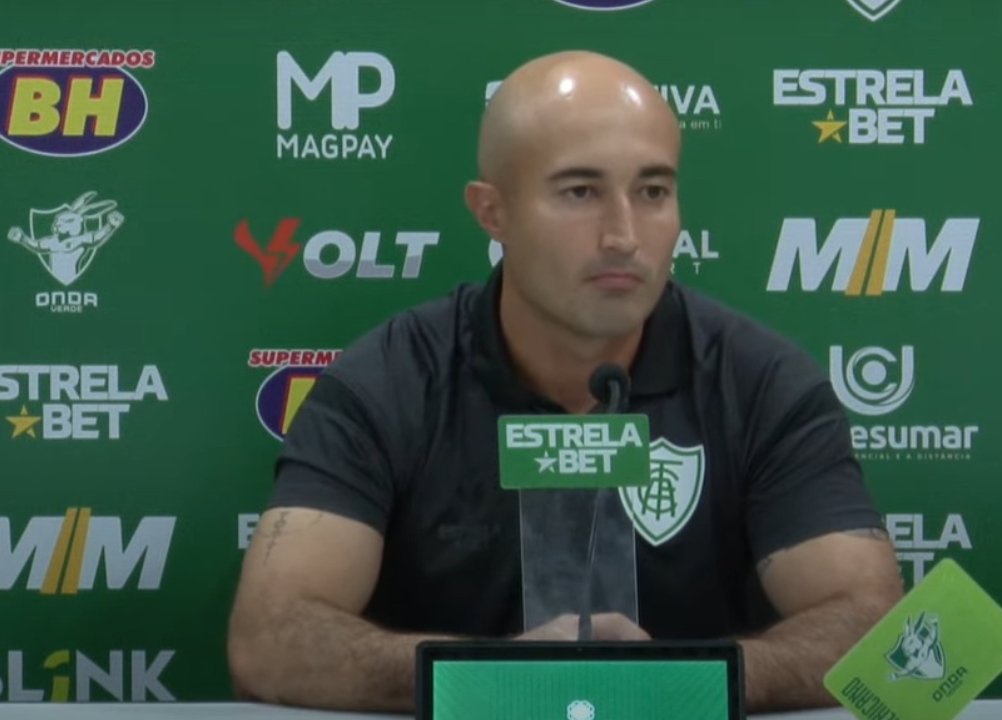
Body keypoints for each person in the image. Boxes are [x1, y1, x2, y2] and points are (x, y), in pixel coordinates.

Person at [227, 49, 903, 713]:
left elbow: (875, 628)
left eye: (653, 191)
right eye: (580, 191)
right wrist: (501, 680)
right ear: (492, 212)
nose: (623, 235)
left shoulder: (761, 382)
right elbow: (272, 638)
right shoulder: (389, 381)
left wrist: (676, 682)